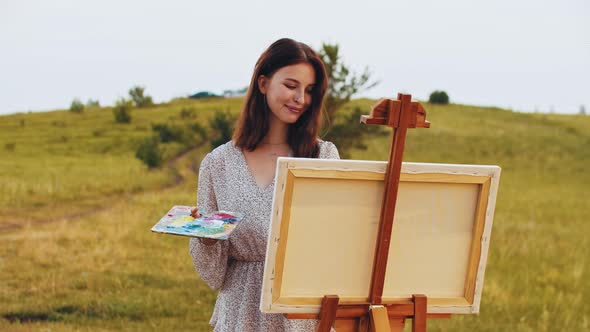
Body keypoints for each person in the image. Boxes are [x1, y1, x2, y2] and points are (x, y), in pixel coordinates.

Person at [189, 38, 340, 331]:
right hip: (240, 307)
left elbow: (337, 241)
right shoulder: (217, 163)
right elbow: (212, 275)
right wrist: (205, 238)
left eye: (309, 90)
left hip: (302, 310)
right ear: (262, 83)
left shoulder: (323, 155)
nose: (301, 98)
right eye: (291, 85)